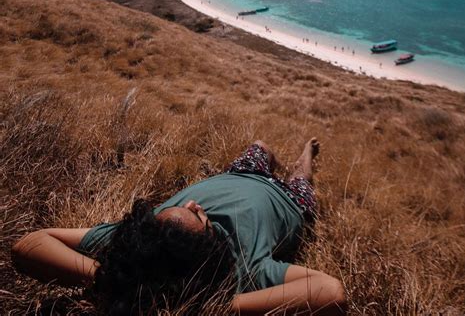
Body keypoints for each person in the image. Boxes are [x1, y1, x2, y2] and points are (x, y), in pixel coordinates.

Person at [12, 139, 346, 315]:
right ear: (211, 243)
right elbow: (331, 293)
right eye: (200, 218)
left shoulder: (143, 239)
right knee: (301, 176)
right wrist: (221, 307)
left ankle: (273, 158)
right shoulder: (246, 267)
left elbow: (30, 243)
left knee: (261, 147)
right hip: (287, 200)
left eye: (181, 208)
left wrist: (111, 277)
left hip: (238, 174)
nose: (192, 205)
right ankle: (307, 151)